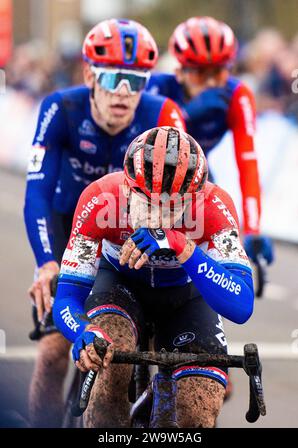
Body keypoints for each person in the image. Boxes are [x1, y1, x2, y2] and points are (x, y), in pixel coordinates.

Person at [23, 19, 185, 428]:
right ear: (89, 75)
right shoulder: (62, 108)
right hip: (70, 227)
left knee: (156, 339)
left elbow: (197, 191)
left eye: (136, 80)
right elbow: (38, 193)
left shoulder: (163, 113)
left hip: (138, 233)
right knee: (55, 350)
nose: (123, 92)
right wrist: (46, 262)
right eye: (112, 78)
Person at [53, 126, 255, 428]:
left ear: (195, 198)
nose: (159, 216)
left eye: (174, 207)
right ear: (127, 187)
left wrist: (181, 246)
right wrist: (83, 331)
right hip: (119, 288)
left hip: (185, 297)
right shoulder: (99, 198)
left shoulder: (215, 206)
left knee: (196, 414)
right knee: (109, 378)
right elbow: (67, 297)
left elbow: (241, 305)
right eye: (148, 204)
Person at [146, 16, 274, 266]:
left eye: (219, 71)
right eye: (200, 74)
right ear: (179, 71)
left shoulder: (237, 95)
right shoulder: (157, 88)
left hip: (196, 167)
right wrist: (184, 114)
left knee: (214, 211)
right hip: (152, 172)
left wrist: (253, 228)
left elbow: (247, 163)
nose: (211, 83)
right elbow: (145, 152)